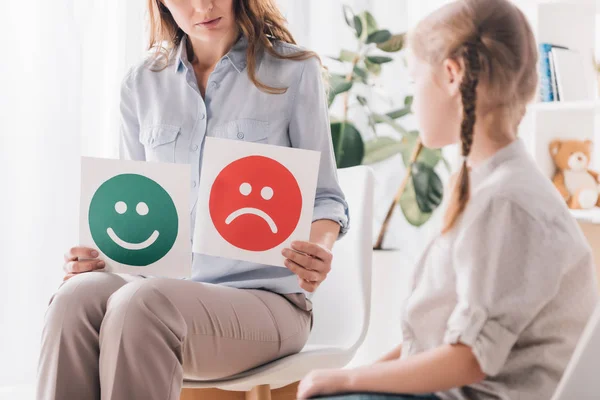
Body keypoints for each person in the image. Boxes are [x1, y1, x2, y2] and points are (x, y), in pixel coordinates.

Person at [36, 1, 349, 399]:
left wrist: (318, 249)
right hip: (162, 292)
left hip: (267, 301)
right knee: (74, 297)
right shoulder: (141, 83)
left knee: (142, 303)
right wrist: (100, 256)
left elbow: (325, 198)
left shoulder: (294, 71)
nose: (203, 6)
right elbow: (134, 199)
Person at [297, 0, 599, 399]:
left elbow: (468, 358)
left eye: (413, 81)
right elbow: (432, 343)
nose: (413, 98)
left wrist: (346, 379)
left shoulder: (506, 202)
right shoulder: (486, 185)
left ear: (452, 74)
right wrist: (349, 377)